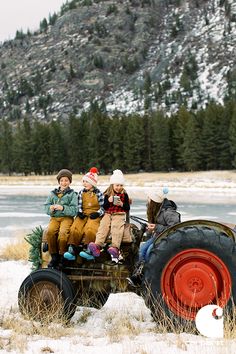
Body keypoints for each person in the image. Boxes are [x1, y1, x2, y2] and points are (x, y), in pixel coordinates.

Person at [127, 188, 180, 286]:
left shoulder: (168, 212)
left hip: (167, 239)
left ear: (154, 201)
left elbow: (175, 229)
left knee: (149, 251)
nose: (147, 199)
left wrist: (156, 227)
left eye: (149, 198)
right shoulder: (155, 210)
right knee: (142, 249)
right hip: (157, 236)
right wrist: (151, 230)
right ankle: (138, 274)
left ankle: (144, 276)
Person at [81, 169, 130, 261]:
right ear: (112, 185)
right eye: (117, 185)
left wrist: (122, 204)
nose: (119, 187)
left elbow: (127, 208)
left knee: (116, 228)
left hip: (119, 214)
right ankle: (98, 245)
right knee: (103, 227)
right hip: (108, 214)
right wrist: (109, 201)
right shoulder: (107, 194)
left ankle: (115, 248)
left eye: (121, 185)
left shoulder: (125, 194)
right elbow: (104, 206)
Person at [64, 168, 104, 261]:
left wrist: (98, 213)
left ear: (93, 183)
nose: (84, 183)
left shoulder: (99, 193)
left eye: (87, 182)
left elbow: (103, 208)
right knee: (75, 227)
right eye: (84, 181)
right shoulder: (81, 192)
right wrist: (80, 211)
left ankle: (89, 250)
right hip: (83, 213)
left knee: (90, 229)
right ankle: (72, 249)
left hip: (94, 215)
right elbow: (79, 204)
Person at [44, 169, 78, 268]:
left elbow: (74, 210)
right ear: (59, 181)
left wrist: (63, 208)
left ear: (70, 182)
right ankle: (54, 256)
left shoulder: (72, 194)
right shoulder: (52, 194)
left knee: (63, 234)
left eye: (66, 180)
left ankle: (63, 255)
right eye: (62, 180)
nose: (64, 183)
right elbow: (46, 207)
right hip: (55, 218)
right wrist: (50, 209)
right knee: (50, 232)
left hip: (66, 218)